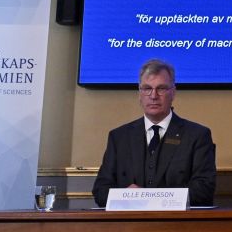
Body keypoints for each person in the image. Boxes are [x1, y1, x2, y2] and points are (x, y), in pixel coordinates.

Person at [92, 59, 217, 207]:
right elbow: (100, 191)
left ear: (173, 93)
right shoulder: (119, 137)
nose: (153, 95)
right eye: (147, 88)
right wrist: (126, 196)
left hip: (178, 225)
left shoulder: (197, 135)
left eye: (161, 88)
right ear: (139, 93)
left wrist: (150, 199)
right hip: (129, 226)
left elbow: (204, 190)